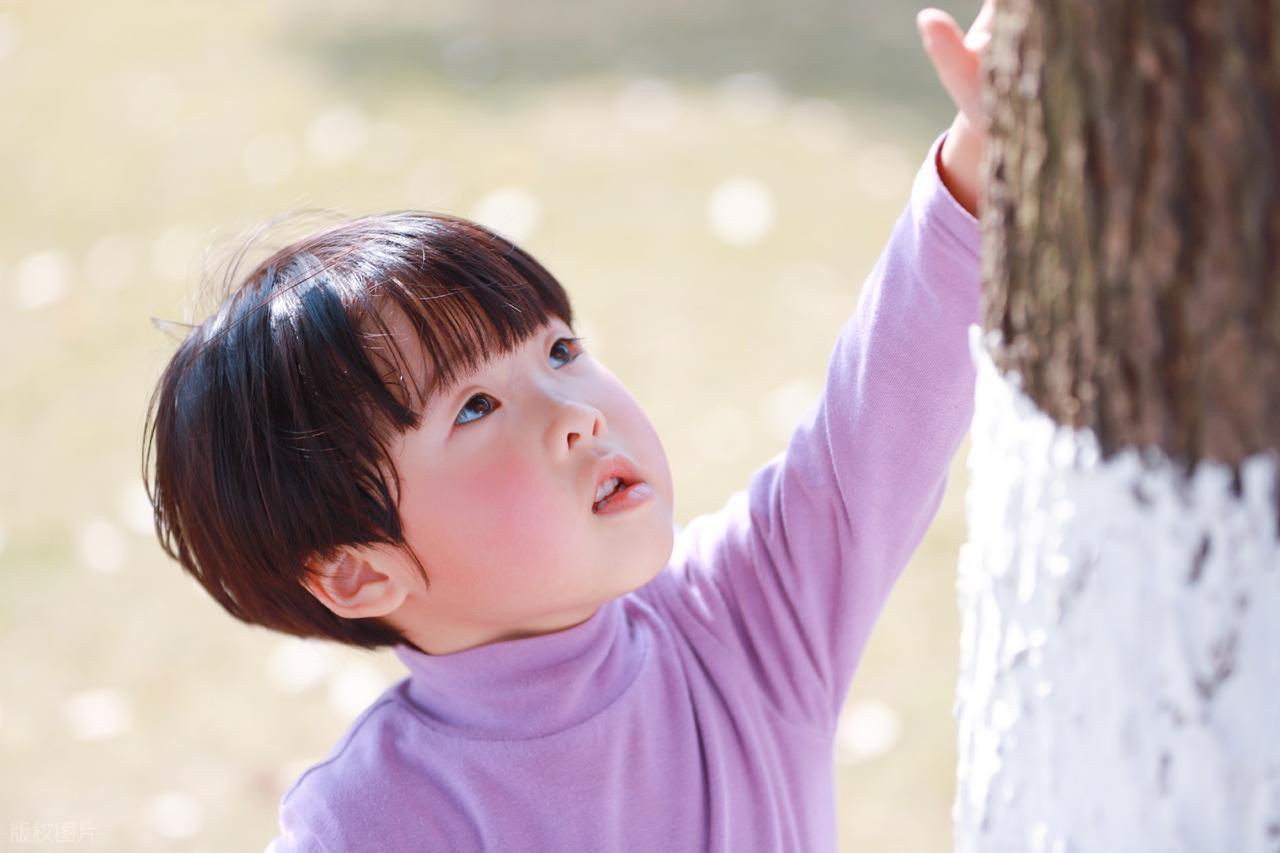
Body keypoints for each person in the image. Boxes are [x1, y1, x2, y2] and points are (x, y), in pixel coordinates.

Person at [143, 4, 993, 850]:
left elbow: (887, 405)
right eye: (475, 406)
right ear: (361, 572)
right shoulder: (380, 822)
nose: (577, 414)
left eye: (560, 350)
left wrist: (983, 147)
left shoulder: (745, 622)